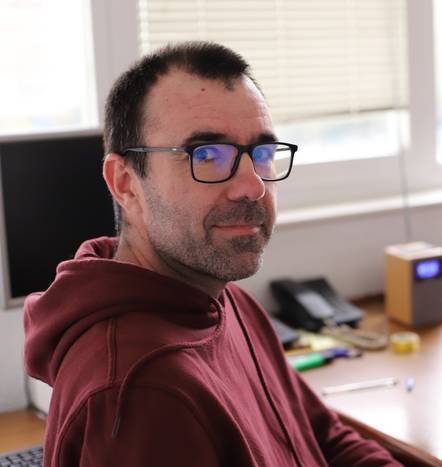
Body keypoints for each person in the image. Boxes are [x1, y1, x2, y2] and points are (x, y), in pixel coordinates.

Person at [24, 41, 401, 467]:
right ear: (126, 183)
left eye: (261, 154)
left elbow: (323, 437)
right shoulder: (142, 390)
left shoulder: (226, 299)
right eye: (206, 155)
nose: (252, 186)